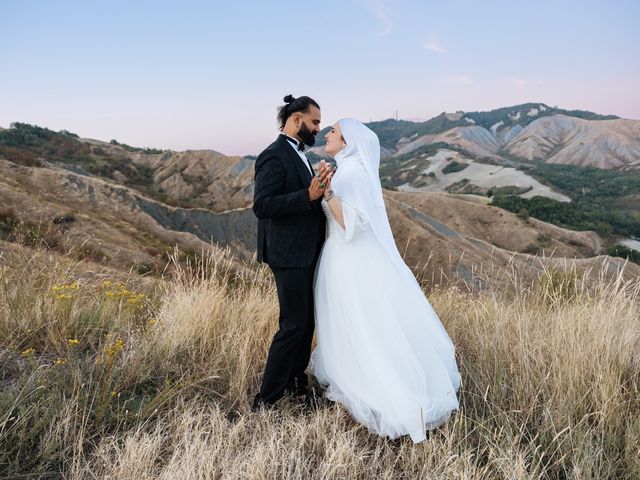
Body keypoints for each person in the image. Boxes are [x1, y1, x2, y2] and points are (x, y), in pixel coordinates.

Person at [309, 118, 461, 443]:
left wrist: (328, 191)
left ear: (348, 141)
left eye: (334, 131)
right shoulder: (352, 169)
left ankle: (385, 394)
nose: (327, 134)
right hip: (349, 257)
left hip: (349, 258)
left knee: (360, 324)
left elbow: (353, 225)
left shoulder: (349, 174)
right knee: (365, 322)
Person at [251, 95, 332, 411]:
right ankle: (267, 398)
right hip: (288, 254)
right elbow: (262, 206)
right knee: (293, 325)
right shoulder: (273, 156)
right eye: (314, 122)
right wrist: (307, 194)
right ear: (296, 120)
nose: (317, 129)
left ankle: (295, 383)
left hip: (307, 251)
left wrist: (321, 192)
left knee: (306, 321)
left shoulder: (300, 154)